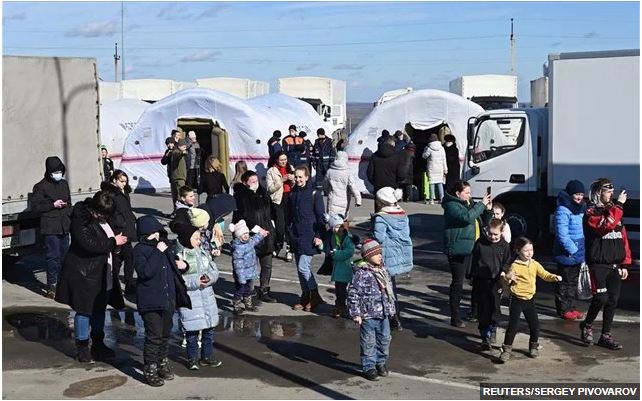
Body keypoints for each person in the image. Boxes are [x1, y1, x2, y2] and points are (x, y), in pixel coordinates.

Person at [55, 191, 128, 363]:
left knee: (99, 308)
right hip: (85, 273)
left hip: (103, 272)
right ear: (96, 209)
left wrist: (117, 245)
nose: (105, 217)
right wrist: (113, 243)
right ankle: (82, 346)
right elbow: (89, 244)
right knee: (84, 310)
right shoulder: (81, 219)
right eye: (103, 214)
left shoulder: (102, 219)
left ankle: (98, 343)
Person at [133, 215, 191, 387]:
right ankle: (150, 367)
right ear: (147, 234)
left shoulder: (166, 248)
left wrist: (184, 266)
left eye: (159, 232)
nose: (158, 235)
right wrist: (158, 252)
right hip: (150, 301)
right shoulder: (140, 250)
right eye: (154, 232)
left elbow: (173, 269)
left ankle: (162, 362)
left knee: (166, 335)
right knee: (154, 336)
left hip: (167, 298)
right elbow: (145, 273)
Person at [580, 178, 631, 350]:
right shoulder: (591, 211)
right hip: (598, 263)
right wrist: (620, 206)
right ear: (598, 193)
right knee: (600, 298)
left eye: (612, 191)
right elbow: (606, 226)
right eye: (607, 191)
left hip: (614, 264)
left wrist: (624, 264)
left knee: (613, 300)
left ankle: (605, 335)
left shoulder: (615, 211)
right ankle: (587, 325)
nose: (611, 194)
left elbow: (623, 238)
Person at [499, 237, 562, 362]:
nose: (529, 253)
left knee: (535, 325)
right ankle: (506, 350)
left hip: (530, 300)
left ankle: (533, 347)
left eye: (531, 250)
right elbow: (506, 282)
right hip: (517, 299)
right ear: (517, 251)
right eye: (526, 250)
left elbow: (544, 274)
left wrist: (554, 277)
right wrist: (507, 277)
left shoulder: (534, 264)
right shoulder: (514, 266)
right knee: (513, 326)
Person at [442, 180, 492, 327]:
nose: (470, 195)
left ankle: (474, 312)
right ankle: (455, 316)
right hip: (459, 248)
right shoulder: (451, 205)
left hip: (474, 246)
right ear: (458, 193)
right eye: (467, 193)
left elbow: (481, 221)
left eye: (470, 192)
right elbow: (467, 218)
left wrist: (487, 210)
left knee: (477, 281)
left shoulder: (469, 203)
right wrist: (481, 204)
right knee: (458, 282)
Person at [173, 223, 222, 370]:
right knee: (192, 332)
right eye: (195, 238)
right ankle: (192, 358)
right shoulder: (179, 256)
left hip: (207, 297)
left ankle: (207, 356)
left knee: (208, 330)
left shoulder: (203, 253)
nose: (199, 241)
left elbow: (214, 270)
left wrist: (210, 278)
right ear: (187, 239)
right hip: (191, 300)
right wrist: (196, 282)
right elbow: (178, 280)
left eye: (199, 238)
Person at [347, 239, 395, 382]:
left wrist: (392, 310)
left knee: (385, 340)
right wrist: (356, 313)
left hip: (384, 314)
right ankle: (369, 367)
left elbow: (389, 293)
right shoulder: (361, 274)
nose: (380, 256)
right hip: (368, 315)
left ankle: (380, 362)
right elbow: (353, 294)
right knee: (368, 342)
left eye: (380, 253)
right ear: (367, 256)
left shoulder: (383, 271)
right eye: (376, 254)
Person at [232, 170, 277, 303]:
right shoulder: (241, 196)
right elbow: (242, 216)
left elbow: (271, 210)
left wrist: (272, 225)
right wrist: (255, 228)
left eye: (256, 181)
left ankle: (264, 290)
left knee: (267, 264)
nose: (255, 183)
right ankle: (248, 292)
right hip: (251, 235)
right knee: (249, 265)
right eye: (252, 181)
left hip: (267, 233)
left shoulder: (263, 193)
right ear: (245, 182)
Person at [372, 187, 413, 331]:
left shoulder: (381, 217)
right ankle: (395, 316)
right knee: (391, 285)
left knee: (386, 287)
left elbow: (379, 238)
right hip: (400, 253)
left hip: (386, 255)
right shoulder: (403, 214)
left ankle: (393, 317)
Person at [31, 156, 72, 298]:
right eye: (55, 171)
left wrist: (68, 213)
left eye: (60, 171)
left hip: (64, 226)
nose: (58, 174)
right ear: (49, 172)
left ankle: (64, 283)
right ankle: (52, 285)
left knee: (65, 257)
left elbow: (69, 202)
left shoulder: (64, 184)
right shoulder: (40, 186)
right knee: (52, 257)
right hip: (50, 227)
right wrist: (52, 205)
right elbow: (35, 207)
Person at [471, 218, 513, 350]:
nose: (492, 237)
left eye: (495, 234)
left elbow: (507, 261)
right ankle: (485, 335)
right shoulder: (480, 243)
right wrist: (471, 275)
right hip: (481, 280)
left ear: (501, 232)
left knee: (495, 307)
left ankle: (493, 328)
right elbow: (473, 259)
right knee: (483, 308)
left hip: (496, 281)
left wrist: (504, 272)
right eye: (490, 234)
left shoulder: (504, 246)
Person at [288, 166, 326, 312]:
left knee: (304, 267)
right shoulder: (293, 193)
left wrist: (318, 235)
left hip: (309, 235)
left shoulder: (315, 193)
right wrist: (289, 232)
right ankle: (305, 295)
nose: (298, 180)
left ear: (307, 177)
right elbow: (289, 215)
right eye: (296, 177)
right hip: (296, 235)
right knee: (299, 269)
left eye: (300, 177)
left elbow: (321, 217)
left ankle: (315, 294)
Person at [553, 179, 586, 320]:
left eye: (581, 194)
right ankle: (563, 309)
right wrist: (572, 250)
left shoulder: (580, 208)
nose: (579, 197)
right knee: (564, 282)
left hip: (578, 250)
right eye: (576, 194)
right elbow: (562, 234)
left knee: (573, 282)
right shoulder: (563, 209)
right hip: (567, 252)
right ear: (570, 194)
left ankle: (571, 307)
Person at [101, 170, 137, 295]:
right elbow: (111, 213)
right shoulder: (111, 194)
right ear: (114, 181)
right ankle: (114, 284)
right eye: (121, 181)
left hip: (127, 228)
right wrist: (119, 224)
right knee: (117, 259)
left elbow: (127, 210)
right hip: (118, 230)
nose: (123, 184)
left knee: (129, 257)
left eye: (125, 181)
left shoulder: (125, 193)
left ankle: (128, 282)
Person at [229, 219, 270, 314]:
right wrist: (240, 277)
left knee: (248, 290)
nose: (246, 235)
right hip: (241, 274)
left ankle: (248, 304)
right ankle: (236, 305)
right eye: (243, 234)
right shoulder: (238, 248)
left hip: (249, 272)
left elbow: (255, 240)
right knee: (240, 290)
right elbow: (238, 264)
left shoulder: (249, 242)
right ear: (238, 236)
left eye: (247, 233)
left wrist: (262, 234)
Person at [266, 151, 295, 262]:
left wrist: (293, 179)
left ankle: (289, 250)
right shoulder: (271, 171)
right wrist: (281, 180)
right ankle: (277, 246)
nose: (284, 162)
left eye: (285, 159)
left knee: (289, 226)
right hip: (278, 200)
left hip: (290, 198)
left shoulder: (290, 167)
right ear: (276, 160)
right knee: (280, 226)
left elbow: (296, 184)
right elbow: (270, 188)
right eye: (281, 160)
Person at [326, 213, 355, 318]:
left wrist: (336, 254)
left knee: (342, 289)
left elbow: (349, 251)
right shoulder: (334, 236)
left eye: (339, 227)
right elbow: (328, 247)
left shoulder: (347, 238)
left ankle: (342, 307)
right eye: (334, 227)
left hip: (344, 268)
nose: (336, 229)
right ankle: (339, 305)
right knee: (338, 289)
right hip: (338, 268)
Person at [367, 137, 404, 212]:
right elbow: (401, 174)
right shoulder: (397, 156)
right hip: (392, 187)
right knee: (392, 209)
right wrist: (397, 183)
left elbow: (369, 173)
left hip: (378, 186)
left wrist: (375, 182)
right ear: (392, 145)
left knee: (379, 210)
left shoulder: (375, 156)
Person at [323, 151, 362, 217]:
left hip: (332, 199)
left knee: (331, 220)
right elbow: (353, 187)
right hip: (344, 200)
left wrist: (328, 191)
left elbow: (325, 184)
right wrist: (358, 200)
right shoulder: (348, 172)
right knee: (341, 219)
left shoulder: (330, 171)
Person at [422, 134, 448, 204]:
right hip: (440, 168)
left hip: (432, 168)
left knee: (431, 183)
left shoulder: (429, 148)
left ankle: (431, 200)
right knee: (440, 183)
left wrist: (425, 149)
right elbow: (444, 159)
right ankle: (442, 199)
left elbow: (424, 156)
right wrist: (445, 169)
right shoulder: (442, 148)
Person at [170, 138, 188, 213]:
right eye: (183, 146)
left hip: (177, 177)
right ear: (179, 146)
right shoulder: (176, 152)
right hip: (179, 178)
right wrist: (182, 153)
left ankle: (176, 212)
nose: (185, 148)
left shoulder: (176, 151)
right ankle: (179, 212)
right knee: (180, 196)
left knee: (177, 195)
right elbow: (178, 154)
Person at [160, 137, 176, 211]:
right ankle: (175, 210)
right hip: (171, 174)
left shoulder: (177, 150)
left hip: (177, 174)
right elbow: (163, 162)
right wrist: (167, 155)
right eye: (168, 144)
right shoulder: (168, 151)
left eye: (171, 143)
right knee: (174, 195)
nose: (169, 145)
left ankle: (179, 211)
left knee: (178, 194)